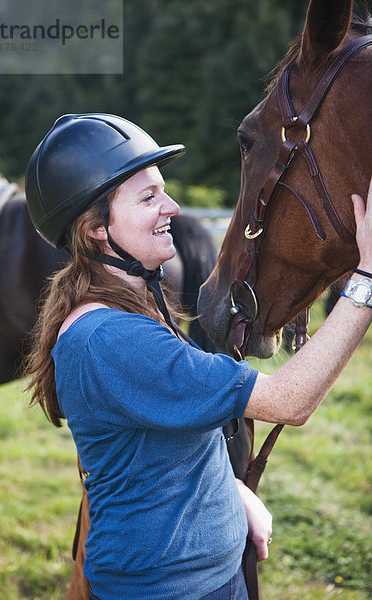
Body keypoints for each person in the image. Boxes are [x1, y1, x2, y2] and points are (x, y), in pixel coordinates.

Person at [24, 113, 372, 600]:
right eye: (148, 197)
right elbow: (291, 401)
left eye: (162, 190)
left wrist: (231, 494)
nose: (172, 205)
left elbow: (151, 453)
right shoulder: (112, 338)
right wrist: (365, 281)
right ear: (96, 229)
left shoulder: (125, 310)